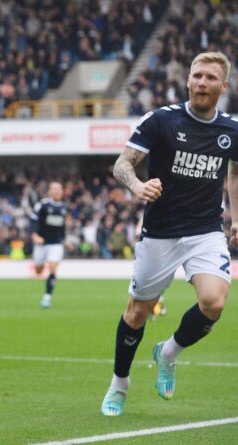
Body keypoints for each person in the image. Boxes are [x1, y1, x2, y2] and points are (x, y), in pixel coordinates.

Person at [100, 51, 237, 416]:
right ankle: (120, 383)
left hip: (206, 230)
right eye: (197, 76)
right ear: (188, 79)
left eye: (210, 78)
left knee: (215, 302)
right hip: (160, 232)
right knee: (136, 313)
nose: (201, 83)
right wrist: (137, 186)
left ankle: (168, 353)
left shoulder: (231, 130)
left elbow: (235, 173)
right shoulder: (161, 120)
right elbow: (122, 163)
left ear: (223, 86)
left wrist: (234, 217)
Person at [30, 181, 67, 308]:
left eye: (60, 189)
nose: (58, 192)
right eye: (55, 189)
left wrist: (65, 240)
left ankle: (47, 297)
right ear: (50, 191)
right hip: (41, 243)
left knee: (52, 267)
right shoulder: (42, 205)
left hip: (56, 244)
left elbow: (62, 227)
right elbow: (33, 221)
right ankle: (41, 266)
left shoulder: (63, 207)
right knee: (38, 270)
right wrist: (35, 236)